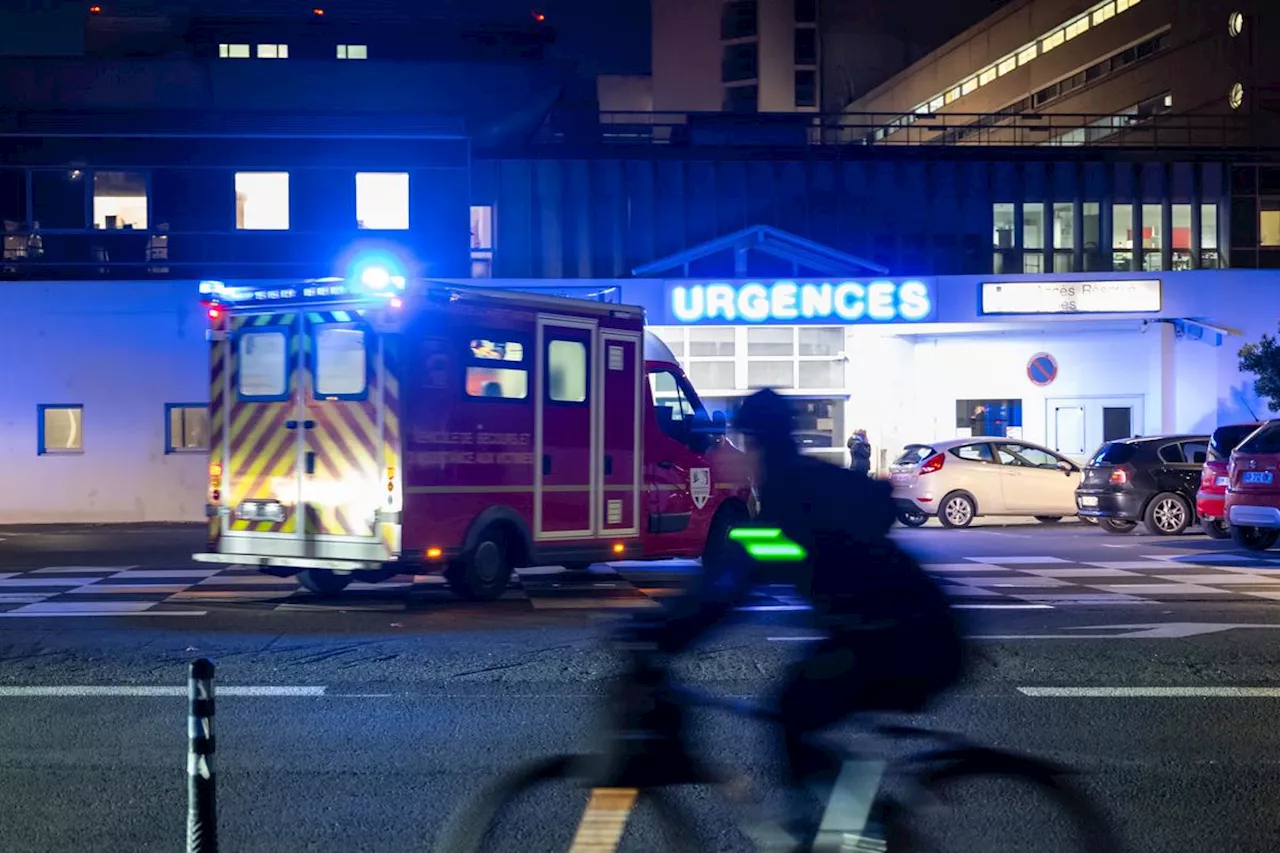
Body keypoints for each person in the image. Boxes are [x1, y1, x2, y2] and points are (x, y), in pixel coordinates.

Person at [625, 389, 966, 848]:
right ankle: (841, 828)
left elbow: (731, 586)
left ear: (754, 444)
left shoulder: (788, 501)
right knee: (802, 707)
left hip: (903, 637)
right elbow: (739, 578)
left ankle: (851, 838)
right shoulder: (801, 485)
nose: (731, 457)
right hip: (906, 627)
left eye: (739, 443)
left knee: (794, 707)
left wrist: (662, 634)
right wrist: (675, 626)